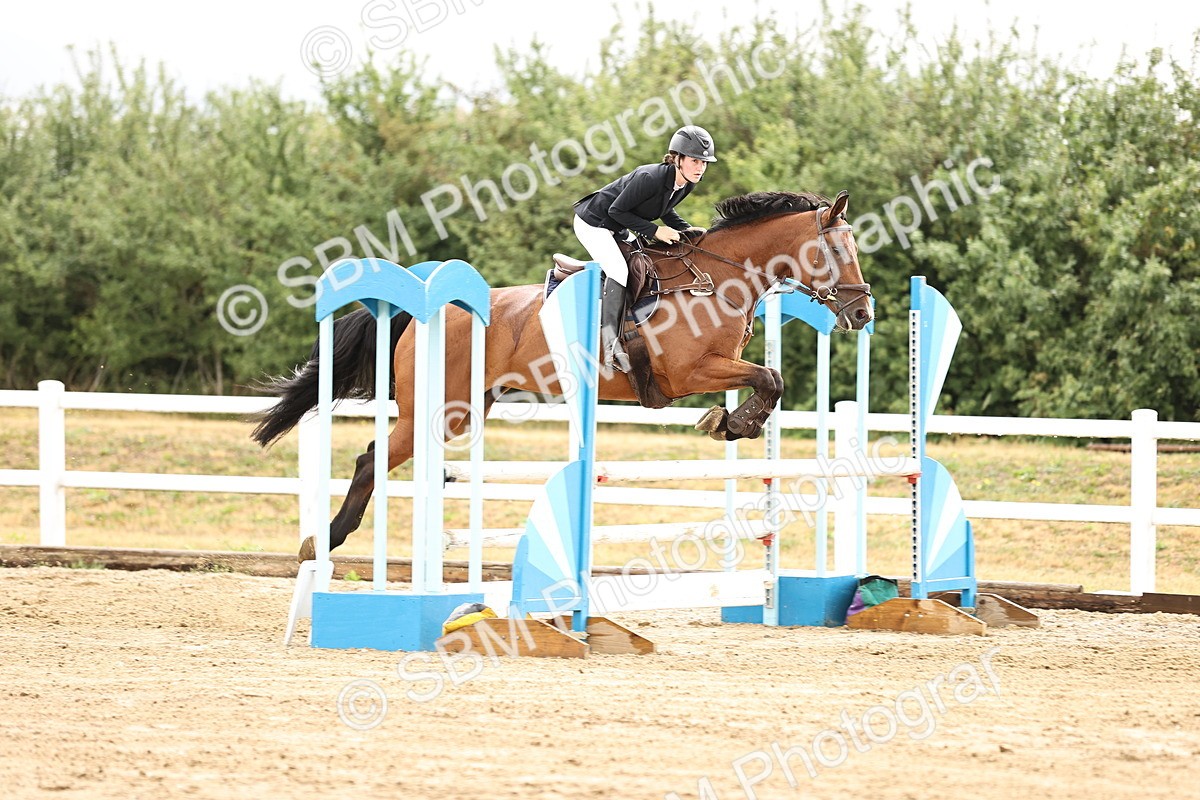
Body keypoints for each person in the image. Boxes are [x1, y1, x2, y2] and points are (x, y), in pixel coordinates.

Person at [572, 124, 717, 371]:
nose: (700, 167)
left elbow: (665, 210)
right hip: (594, 223)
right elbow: (615, 210)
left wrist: (689, 232)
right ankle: (608, 343)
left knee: (645, 260)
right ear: (678, 159)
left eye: (704, 163)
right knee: (619, 270)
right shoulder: (650, 177)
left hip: (616, 225)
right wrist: (655, 231)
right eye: (695, 161)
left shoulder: (687, 183)